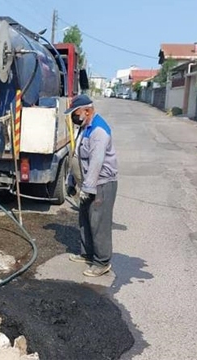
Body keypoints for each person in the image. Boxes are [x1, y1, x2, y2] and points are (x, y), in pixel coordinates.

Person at [65, 94, 118, 277]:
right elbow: (77, 156)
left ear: (87, 111)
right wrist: (71, 180)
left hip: (101, 184)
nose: (73, 116)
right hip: (87, 183)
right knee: (85, 220)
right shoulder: (84, 127)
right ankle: (87, 253)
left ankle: (102, 262)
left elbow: (96, 162)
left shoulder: (98, 131)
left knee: (99, 223)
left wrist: (88, 189)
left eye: (75, 112)